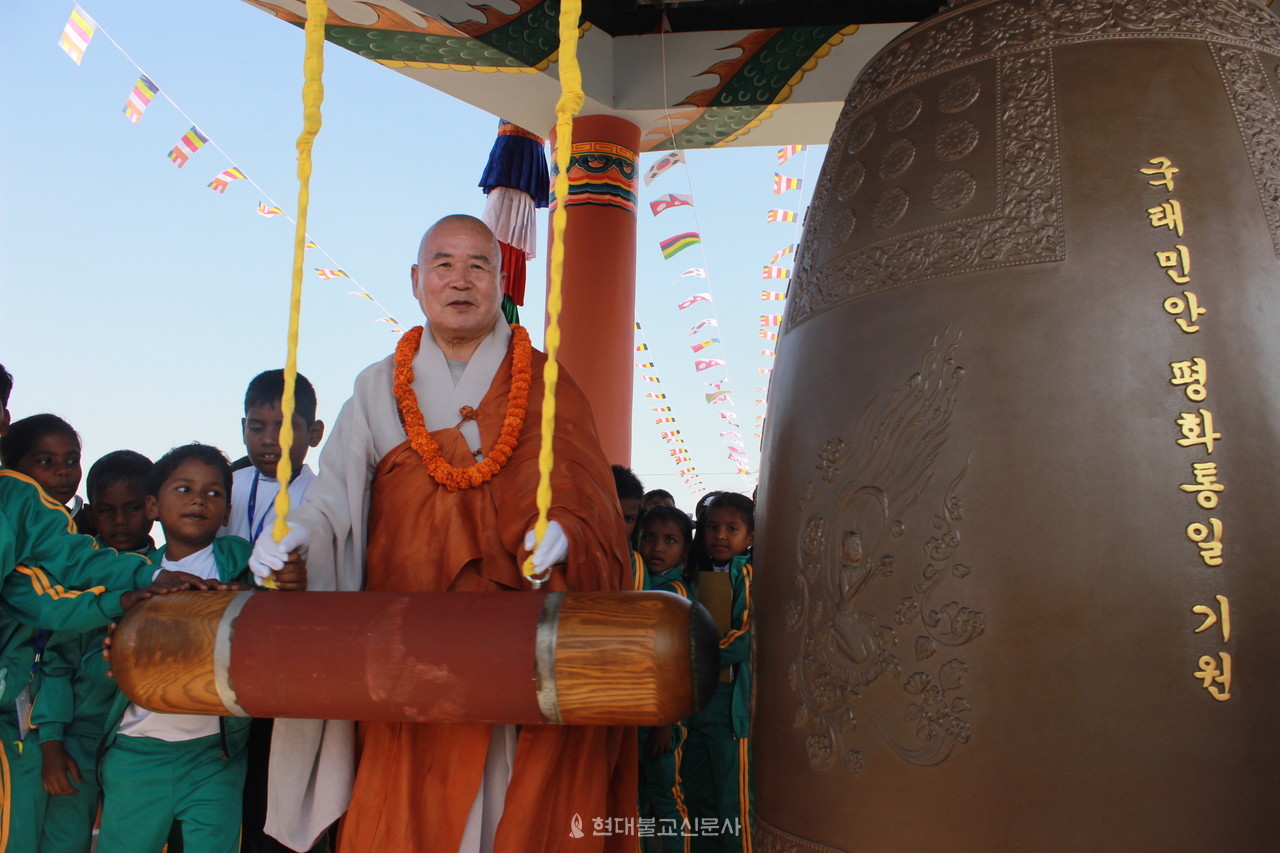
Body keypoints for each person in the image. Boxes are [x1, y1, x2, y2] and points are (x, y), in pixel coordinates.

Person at [250, 214, 636, 852]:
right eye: (443, 264)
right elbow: (332, 502)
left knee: (509, 809)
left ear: (501, 280)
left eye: (478, 265)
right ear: (415, 281)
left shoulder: (543, 383)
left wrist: (567, 533)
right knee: (403, 803)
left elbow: (584, 493)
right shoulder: (377, 387)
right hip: (404, 651)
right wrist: (298, 540)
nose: (460, 280)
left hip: (510, 650)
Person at [0, 368, 192, 850]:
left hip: (30, 716)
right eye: (47, 460)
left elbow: (57, 576)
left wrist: (143, 581)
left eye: (69, 461)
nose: (63, 471)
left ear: (2, 420)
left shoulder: (18, 501)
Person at [96, 443, 306, 853]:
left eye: (214, 493)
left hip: (215, 757)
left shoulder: (241, 560)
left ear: (227, 512)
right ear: (153, 506)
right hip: (136, 755)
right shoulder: (132, 575)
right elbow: (92, 664)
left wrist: (286, 581)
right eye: (184, 489)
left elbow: (277, 608)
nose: (199, 499)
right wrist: (111, 658)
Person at [222, 370, 325, 853]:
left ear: (315, 433)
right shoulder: (223, 486)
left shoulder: (325, 501)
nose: (269, 441)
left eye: (286, 428)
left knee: (274, 788)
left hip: (287, 670)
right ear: (242, 427)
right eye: (256, 427)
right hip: (223, 660)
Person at [35, 450, 155, 853]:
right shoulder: (78, 573)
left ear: (153, 506)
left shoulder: (167, 571)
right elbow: (55, 662)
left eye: (133, 507)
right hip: (77, 737)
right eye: (106, 510)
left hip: (140, 740)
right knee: (64, 841)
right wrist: (52, 744)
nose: (120, 520)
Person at [683, 493, 755, 852]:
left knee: (733, 802)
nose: (720, 536)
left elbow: (745, 639)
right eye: (712, 527)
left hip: (730, 707)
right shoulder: (690, 573)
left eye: (732, 528)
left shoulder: (748, 574)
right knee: (694, 794)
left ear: (750, 537)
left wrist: (690, 654)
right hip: (694, 702)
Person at [636, 505, 694, 852]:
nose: (657, 547)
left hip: (663, 719)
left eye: (669, 540)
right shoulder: (638, 583)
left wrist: (663, 723)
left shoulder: (677, 594)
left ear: (685, 549)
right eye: (650, 538)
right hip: (633, 712)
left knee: (668, 797)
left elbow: (679, 663)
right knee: (635, 797)